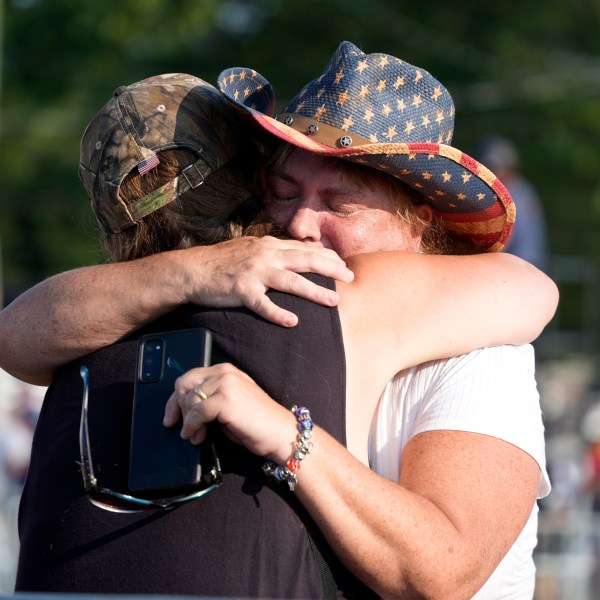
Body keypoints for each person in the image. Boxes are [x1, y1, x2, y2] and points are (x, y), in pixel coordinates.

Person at [5, 43, 557, 598]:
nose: (300, 226)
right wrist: (197, 270)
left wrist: (291, 439)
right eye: (283, 193)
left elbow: (445, 570)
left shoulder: (482, 351)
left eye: (340, 206)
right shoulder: (237, 297)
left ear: (420, 221)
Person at [475, 135, 549, 271]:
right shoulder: (523, 189)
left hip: (518, 268)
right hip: (525, 266)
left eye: (494, 169)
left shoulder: (514, 195)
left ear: (509, 169)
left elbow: (503, 242)